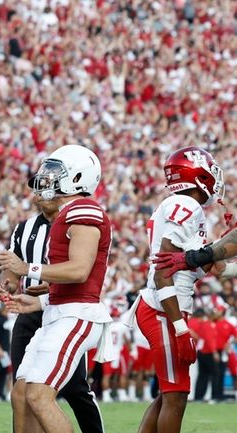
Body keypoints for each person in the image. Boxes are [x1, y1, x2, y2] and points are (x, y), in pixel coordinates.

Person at [0, 145, 113, 433]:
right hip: (56, 312)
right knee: (21, 395)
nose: (45, 178)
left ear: (77, 177)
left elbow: (79, 270)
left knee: (39, 394)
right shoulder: (64, 214)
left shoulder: (84, 210)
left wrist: (28, 269)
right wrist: (41, 301)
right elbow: (71, 277)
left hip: (76, 316)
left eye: (54, 172)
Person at [139, 147, 226, 432]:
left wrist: (220, 251)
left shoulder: (179, 206)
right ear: (197, 173)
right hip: (164, 307)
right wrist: (179, 328)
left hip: (166, 305)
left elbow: (203, 267)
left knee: (170, 393)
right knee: (176, 395)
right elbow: (164, 270)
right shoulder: (189, 206)